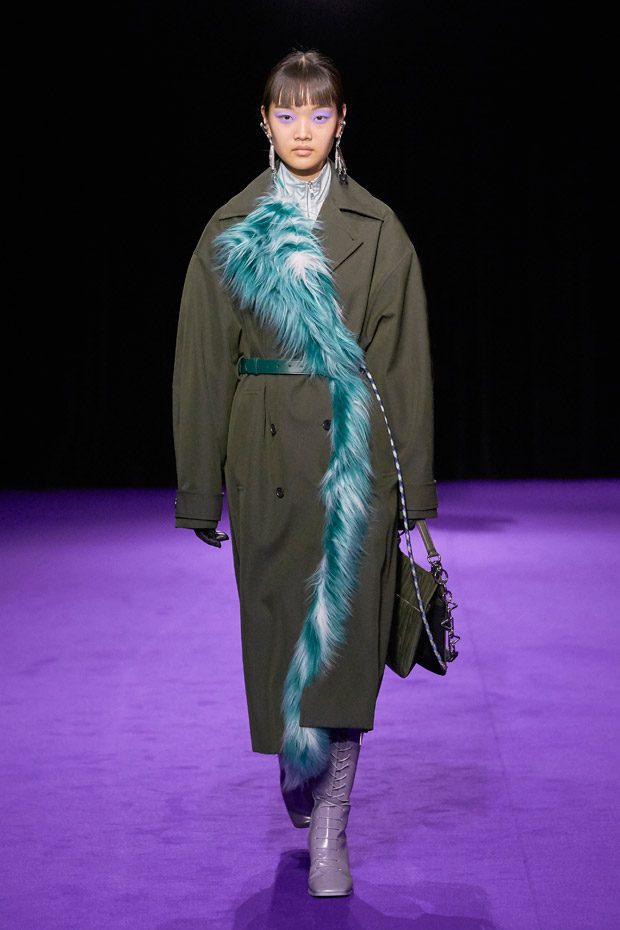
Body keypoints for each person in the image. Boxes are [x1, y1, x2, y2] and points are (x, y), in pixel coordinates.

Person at [172, 49, 438, 897]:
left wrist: (414, 489)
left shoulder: (380, 229)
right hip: (263, 457)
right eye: (286, 113)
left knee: (346, 645)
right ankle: (298, 759)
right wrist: (199, 487)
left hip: (352, 459)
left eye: (318, 113)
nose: (302, 130)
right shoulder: (230, 228)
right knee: (282, 634)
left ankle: (331, 828)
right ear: (263, 121)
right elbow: (203, 364)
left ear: (342, 121)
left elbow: (404, 364)